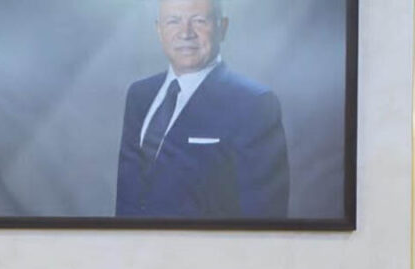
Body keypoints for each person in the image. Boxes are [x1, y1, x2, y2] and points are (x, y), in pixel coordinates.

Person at [116, 0, 290, 219]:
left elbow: (265, 216)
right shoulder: (139, 95)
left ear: (222, 28)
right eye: (173, 21)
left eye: (199, 21)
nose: (185, 33)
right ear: (159, 30)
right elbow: (128, 196)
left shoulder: (254, 104)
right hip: (133, 241)